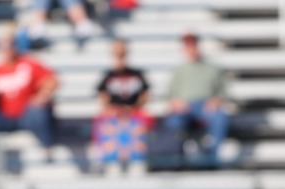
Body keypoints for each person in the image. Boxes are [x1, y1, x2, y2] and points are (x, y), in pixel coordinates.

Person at [0, 34, 59, 162]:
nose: (7, 51)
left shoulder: (29, 64)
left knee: (38, 110)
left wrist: (43, 95)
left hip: (27, 115)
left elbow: (52, 81)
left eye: (9, 47)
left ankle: (47, 146)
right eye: (3, 48)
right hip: (5, 116)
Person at [160, 32, 231, 165]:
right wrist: (177, 103)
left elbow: (223, 92)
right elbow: (171, 95)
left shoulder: (212, 68)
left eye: (193, 45)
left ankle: (212, 158)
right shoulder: (179, 70)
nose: (191, 48)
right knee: (173, 121)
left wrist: (215, 100)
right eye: (188, 45)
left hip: (206, 107)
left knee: (220, 118)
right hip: (186, 109)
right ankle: (176, 159)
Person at [92, 38, 151, 171]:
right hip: (115, 112)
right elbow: (103, 98)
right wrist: (113, 109)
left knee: (143, 122)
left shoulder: (137, 74)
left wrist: (132, 109)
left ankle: (139, 160)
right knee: (102, 122)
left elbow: (145, 96)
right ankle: (107, 160)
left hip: (134, 112)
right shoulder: (108, 75)